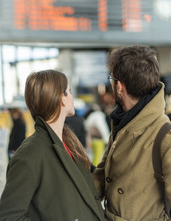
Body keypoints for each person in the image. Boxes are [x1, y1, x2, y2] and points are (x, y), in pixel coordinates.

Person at [0, 70, 105, 221]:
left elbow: (90, 184)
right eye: (69, 91)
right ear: (62, 99)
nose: (72, 97)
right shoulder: (29, 154)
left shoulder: (69, 143)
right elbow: (9, 216)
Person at [92, 45, 171, 221]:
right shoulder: (123, 121)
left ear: (119, 86)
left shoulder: (164, 134)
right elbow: (104, 173)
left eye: (111, 78)